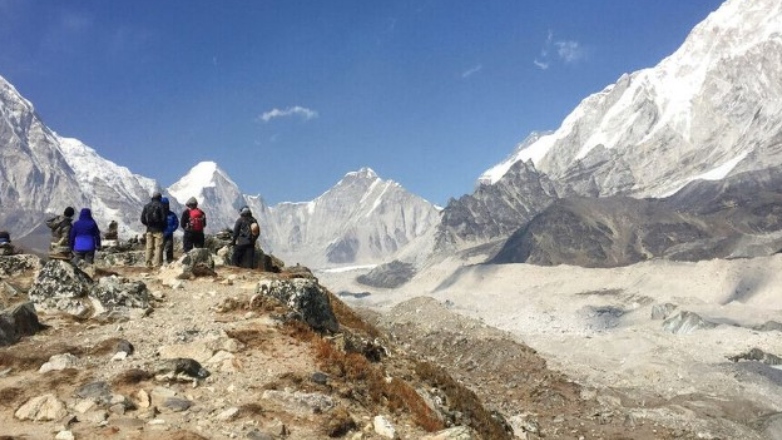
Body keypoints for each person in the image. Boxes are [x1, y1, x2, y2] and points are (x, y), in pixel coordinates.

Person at [140, 191, 167, 268]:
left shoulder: (147, 206)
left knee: (149, 247)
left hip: (149, 229)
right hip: (158, 229)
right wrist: (162, 226)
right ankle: (156, 264)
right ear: (160, 198)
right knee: (158, 247)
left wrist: (148, 225)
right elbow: (164, 218)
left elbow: (142, 219)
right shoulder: (161, 205)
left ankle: (148, 264)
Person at [161, 197, 179, 263]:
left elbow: (176, 223)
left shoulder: (172, 214)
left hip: (169, 234)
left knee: (169, 247)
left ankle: (169, 261)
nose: (165, 206)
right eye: (164, 204)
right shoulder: (159, 214)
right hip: (161, 233)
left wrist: (171, 230)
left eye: (166, 204)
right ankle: (160, 261)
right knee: (160, 248)